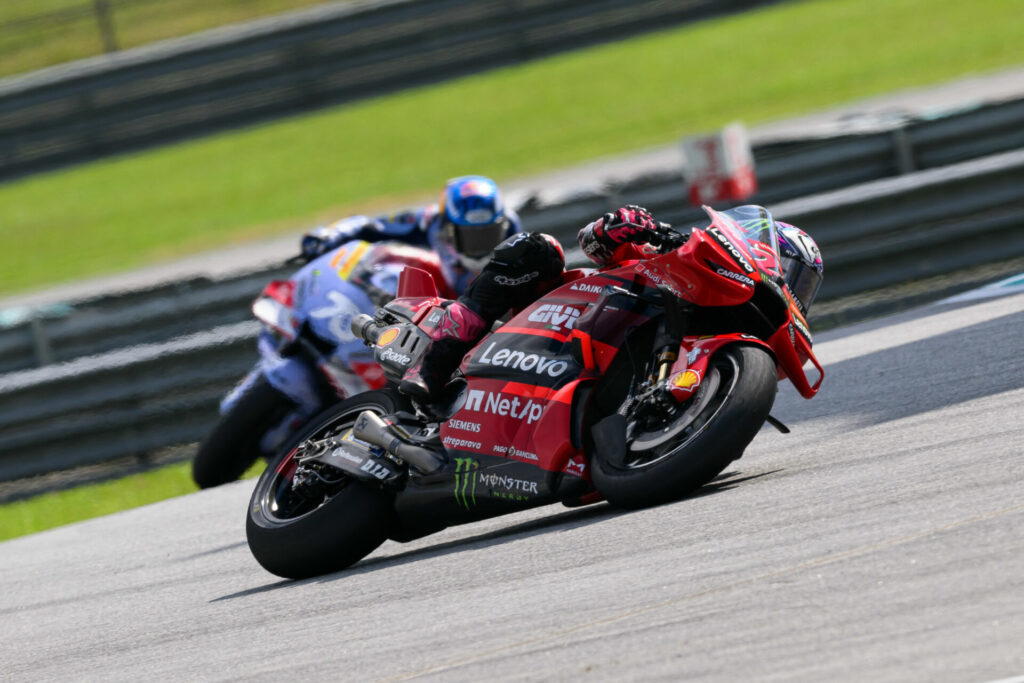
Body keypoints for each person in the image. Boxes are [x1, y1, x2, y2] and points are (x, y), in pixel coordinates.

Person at [398, 204, 824, 401]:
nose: (789, 284)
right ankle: (435, 361)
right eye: (789, 270)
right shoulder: (669, 261)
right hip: (546, 329)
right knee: (539, 249)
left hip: (576, 387)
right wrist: (622, 226)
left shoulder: (733, 345)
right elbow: (594, 244)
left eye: (801, 285)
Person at [300, 175, 522, 297]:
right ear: (448, 230)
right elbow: (370, 225)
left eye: (489, 234)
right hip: (447, 313)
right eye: (470, 236)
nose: (481, 246)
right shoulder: (430, 221)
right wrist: (330, 235)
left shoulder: (511, 227)